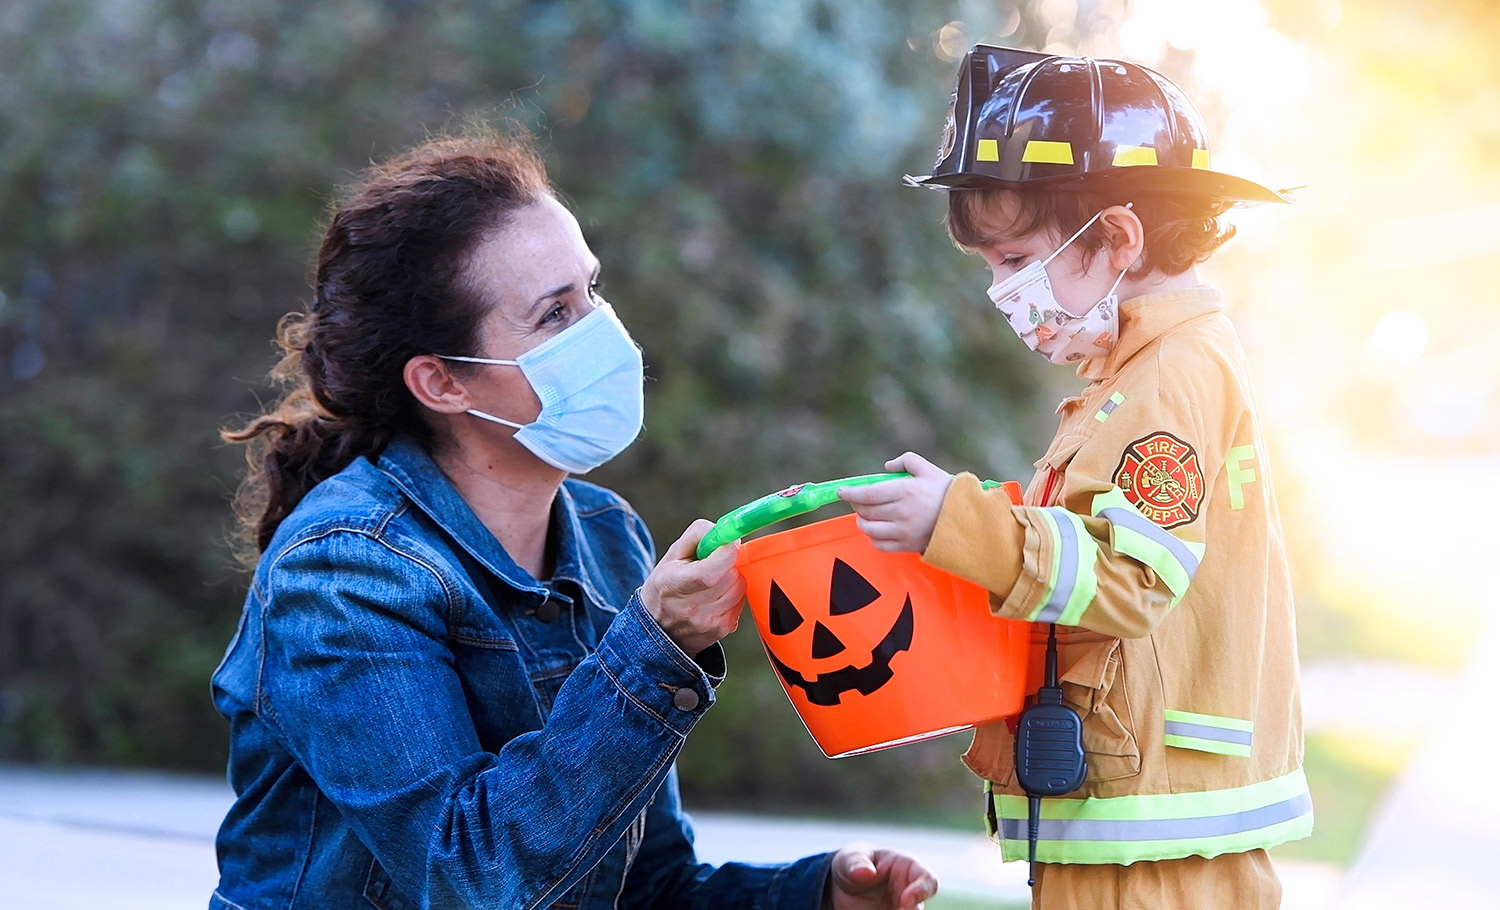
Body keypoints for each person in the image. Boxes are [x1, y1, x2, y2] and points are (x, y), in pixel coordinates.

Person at [210, 129, 938, 910]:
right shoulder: (344, 569)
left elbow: (640, 883)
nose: (602, 332)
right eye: (555, 315)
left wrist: (814, 893)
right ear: (443, 382)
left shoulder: (604, 534)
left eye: (591, 290)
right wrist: (652, 652)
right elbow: (469, 877)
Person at [839, 47, 1311, 909]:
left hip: (1153, 853)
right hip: (1137, 825)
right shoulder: (1137, 375)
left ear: (1119, 239)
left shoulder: (1169, 374)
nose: (1001, 290)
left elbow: (1127, 579)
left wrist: (959, 520)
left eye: (1013, 259)